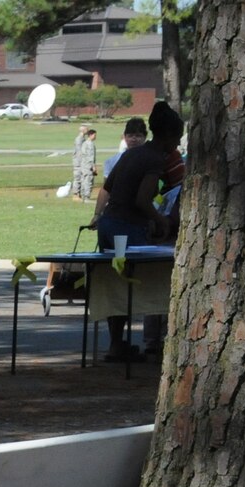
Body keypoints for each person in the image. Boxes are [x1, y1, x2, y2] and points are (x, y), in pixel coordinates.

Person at [95, 102, 182, 361]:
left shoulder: (130, 155)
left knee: (115, 282)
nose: (176, 146)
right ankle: (155, 344)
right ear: (167, 136)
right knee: (143, 284)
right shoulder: (155, 158)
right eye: (176, 139)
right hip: (128, 226)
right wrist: (160, 220)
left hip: (108, 223)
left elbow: (109, 188)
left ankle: (116, 343)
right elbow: (143, 200)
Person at [71, 125, 97, 201]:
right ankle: (76, 194)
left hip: (82, 163)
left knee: (82, 179)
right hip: (79, 163)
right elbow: (80, 153)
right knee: (79, 178)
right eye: (86, 129)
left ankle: (80, 194)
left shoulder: (84, 140)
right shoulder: (79, 139)